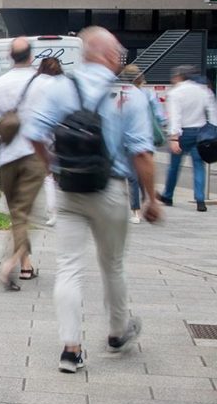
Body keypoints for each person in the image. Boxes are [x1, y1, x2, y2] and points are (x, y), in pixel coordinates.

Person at [24, 27, 162, 375]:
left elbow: (33, 132)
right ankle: (117, 332)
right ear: (111, 55)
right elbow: (142, 154)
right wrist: (152, 199)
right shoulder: (128, 94)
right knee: (112, 264)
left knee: (68, 266)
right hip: (110, 189)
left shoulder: (60, 88)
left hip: (69, 188)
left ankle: (71, 350)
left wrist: (51, 166)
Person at [0, 37, 48, 290]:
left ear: (10, 57)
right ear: (31, 57)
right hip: (34, 156)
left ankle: (26, 266)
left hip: (6, 159)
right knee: (25, 214)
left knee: (17, 214)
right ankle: (10, 265)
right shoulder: (43, 84)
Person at [160, 64, 216, 212]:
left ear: (179, 77)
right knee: (198, 165)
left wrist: (174, 138)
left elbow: (175, 117)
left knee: (174, 166)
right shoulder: (204, 91)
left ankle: (168, 195)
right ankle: (200, 199)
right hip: (200, 132)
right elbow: (212, 112)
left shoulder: (175, 93)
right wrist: (211, 131)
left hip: (182, 132)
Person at [123, 65, 166, 223]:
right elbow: (160, 116)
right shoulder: (149, 94)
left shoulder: (124, 94)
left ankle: (136, 211)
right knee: (144, 172)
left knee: (132, 177)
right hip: (147, 138)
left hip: (128, 140)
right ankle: (148, 199)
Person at [35, 57, 64, 226]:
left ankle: (51, 211)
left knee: (47, 174)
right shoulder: (62, 84)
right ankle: (60, 208)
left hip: (42, 133)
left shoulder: (36, 83)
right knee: (58, 173)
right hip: (62, 132)